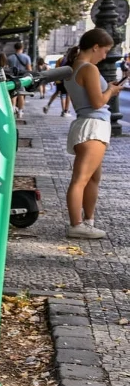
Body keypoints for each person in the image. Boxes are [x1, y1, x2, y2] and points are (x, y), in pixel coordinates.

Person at [62, 28, 125, 239]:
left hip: (84, 123)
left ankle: (88, 221)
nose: (105, 56)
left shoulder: (72, 68)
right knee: (81, 179)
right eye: (105, 51)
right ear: (95, 47)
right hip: (93, 125)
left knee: (93, 177)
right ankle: (77, 225)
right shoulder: (89, 68)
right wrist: (111, 91)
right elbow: (98, 102)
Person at [6, 42, 32, 118]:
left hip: (12, 78)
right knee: (21, 94)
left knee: (13, 94)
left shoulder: (10, 57)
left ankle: (13, 108)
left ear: (15, 48)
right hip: (22, 78)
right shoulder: (26, 57)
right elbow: (29, 69)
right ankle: (20, 111)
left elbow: (7, 68)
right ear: (22, 48)